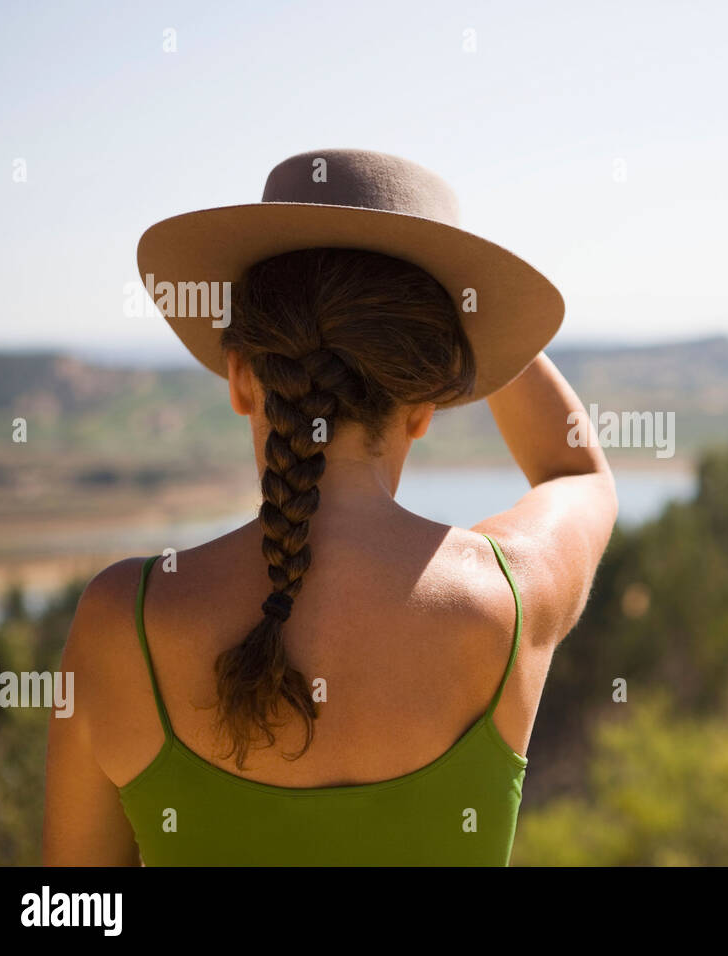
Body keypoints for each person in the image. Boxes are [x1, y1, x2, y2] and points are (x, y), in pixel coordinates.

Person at [42, 150, 617, 865]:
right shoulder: (508, 597)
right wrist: (481, 315)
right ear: (425, 405)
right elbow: (580, 475)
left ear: (242, 379)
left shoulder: (121, 621)